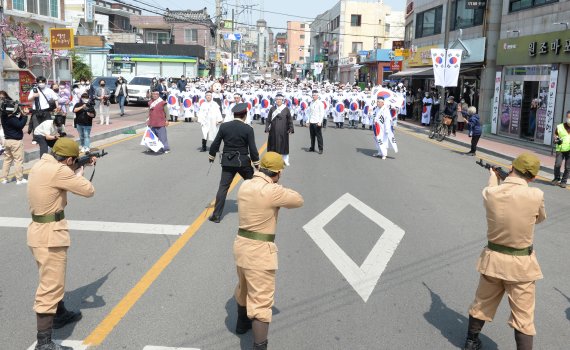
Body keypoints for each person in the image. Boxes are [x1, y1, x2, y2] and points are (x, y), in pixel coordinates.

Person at [463, 153, 545, 350]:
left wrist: (493, 176)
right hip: (522, 266)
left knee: (481, 302)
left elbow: (490, 188)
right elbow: (539, 218)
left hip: (493, 260)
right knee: (523, 317)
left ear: (511, 167)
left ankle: (471, 341)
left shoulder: (492, 193)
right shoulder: (536, 195)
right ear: (532, 177)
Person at [27, 137, 96, 350]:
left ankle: (60, 313)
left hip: (38, 231)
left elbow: (59, 172)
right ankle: (44, 343)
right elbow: (88, 190)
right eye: (72, 160)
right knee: (51, 286)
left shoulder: (41, 164)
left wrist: (76, 163)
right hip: (50, 235)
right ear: (67, 160)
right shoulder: (61, 171)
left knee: (53, 278)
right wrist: (79, 172)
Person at [232, 152, 304, 350]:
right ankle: (259, 346)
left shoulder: (245, 184)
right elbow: (298, 200)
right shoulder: (273, 191)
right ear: (277, 172)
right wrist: (277, 187)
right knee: (261, 301)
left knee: (243, 287)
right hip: (261, 250)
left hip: (241, 245)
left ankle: (241, 324)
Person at [208, 103, 260, 223]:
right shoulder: (248, 129)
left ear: (234, 114)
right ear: (245, 115)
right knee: (254, 185)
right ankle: (257, 212)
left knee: (223, 188)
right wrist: (257, 165)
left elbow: (215, 143)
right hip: (243, 162)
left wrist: (212, 156)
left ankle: (216, 215)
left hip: (227, 161)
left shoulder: (224, 126)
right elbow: (253, 149)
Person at [0, 91, 28, 184]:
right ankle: (19, 179)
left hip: (7, 141)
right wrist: (25, 116)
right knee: (18, 160)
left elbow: (16, 123)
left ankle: (4, 178)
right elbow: (20, 125)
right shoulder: (11, 118)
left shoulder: (4, 117)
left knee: (7, 160)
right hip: (16, 142)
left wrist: (21, 115)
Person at [266, 93, 294, 166]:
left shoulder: (286, 109)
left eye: (280, 99)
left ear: (282, 100)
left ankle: (285, 160)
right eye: (277, 99)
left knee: (284, 145)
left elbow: (290, 119)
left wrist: (291, 128)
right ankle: (273, 160)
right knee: (273, 145)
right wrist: (266, 127)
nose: (278, 101)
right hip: (273, 131)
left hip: (283, 131)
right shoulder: (272, 109)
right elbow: (268, 119)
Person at [551, 111, 570, 188]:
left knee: (568, 167)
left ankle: (564, 181)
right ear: (566, 117)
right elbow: (555, 136)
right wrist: (555, 139)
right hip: (560, 149)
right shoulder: (560, 126)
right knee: (557, 164)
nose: (569, 119)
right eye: (568, 117)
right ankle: (556, 178)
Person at [307, 90, 325, 154]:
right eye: (313, 95)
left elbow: (322, 113)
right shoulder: (311, 103)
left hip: (317, 122)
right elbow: (309, 113)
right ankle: (312, 147)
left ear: (317, 96)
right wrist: (308, 121)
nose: (313, 96)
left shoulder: (320, 103)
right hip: (311, 121)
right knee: (312, 136)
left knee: (319, 136)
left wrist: (320, 121)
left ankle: (320, 149)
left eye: (315, 95)